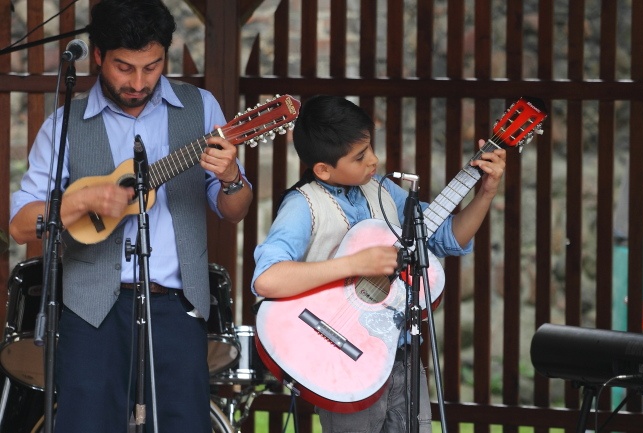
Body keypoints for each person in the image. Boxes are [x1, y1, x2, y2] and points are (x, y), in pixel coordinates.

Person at [9, 0, 252, 432]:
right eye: (124, 67)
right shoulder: (65, 124)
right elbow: (21, 224)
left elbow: (233, 211)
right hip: (91, 311)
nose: (139, 82)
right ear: (98, 55)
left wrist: (232, 177)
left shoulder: (202, 109)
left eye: (152, 67)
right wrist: (81, 203)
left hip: (178, 308)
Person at [252, 95, 506, 432]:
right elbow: (267, 279)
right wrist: (355, 264)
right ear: (324, 169)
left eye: (371, 148)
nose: (375, 160)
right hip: (341, 359)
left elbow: (445, 237)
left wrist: (485, 193)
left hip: (400, 355)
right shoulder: (303, 206)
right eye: (360, 157)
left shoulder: (384, 191)